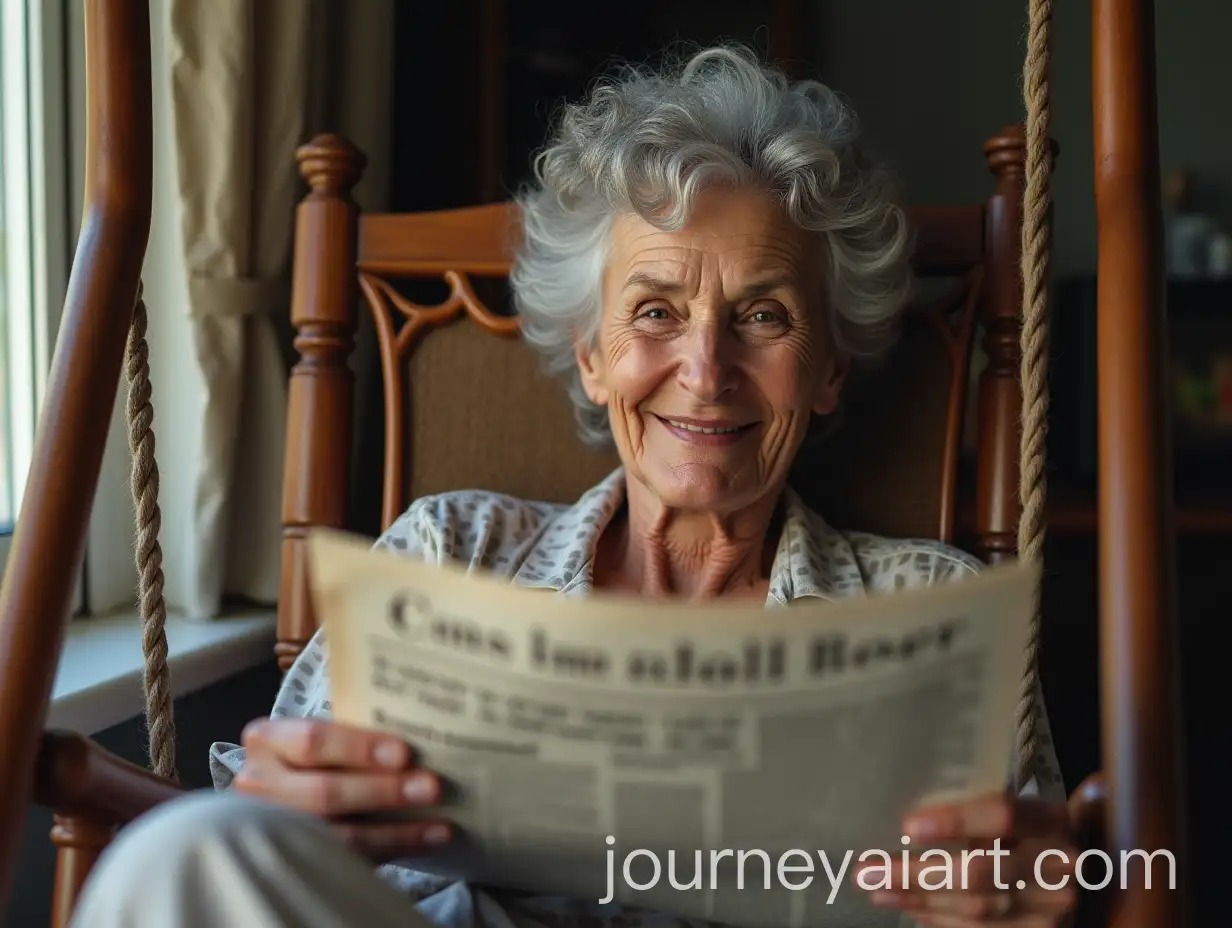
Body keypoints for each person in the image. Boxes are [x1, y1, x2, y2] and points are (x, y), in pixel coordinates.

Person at [72, 45, 1074, 928]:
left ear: (829, 370)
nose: (704, 366)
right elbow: (272, 853)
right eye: (654, 311)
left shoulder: (931, 615)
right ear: (591, 356)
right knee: (182, 854)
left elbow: (1032, 889)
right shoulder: (448, 555)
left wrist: (1015, 900)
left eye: (762, 317)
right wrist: (281, 806)